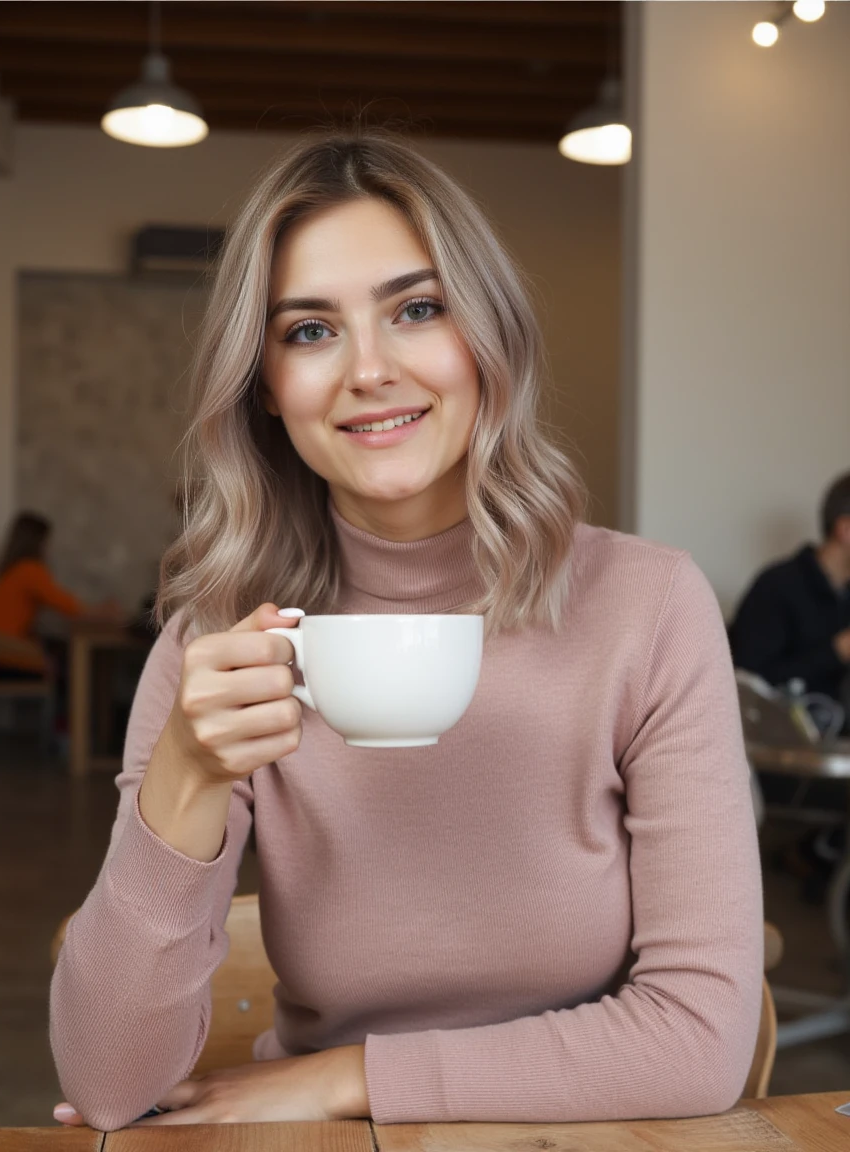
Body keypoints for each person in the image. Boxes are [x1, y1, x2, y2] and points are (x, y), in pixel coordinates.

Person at [50, 133, 762, 1132]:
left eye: (416, 310)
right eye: (308, 332)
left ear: (488, 336)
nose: (368, 370)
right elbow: (108, 1085)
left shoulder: (645, 609)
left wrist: (350, 1079)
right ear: (262, 383)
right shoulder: (222, 643)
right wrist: (186, 776)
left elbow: (698, 1040)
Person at [729, 472, 850, 729]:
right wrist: (835, 652)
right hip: (785, 760)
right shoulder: (777, 587)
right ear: (845, 529)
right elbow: (747, 686)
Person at [0, 511, 123, 681]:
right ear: (38, 542)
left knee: (58, 647)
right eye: (47, 542)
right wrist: (104, 611)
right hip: (9, 658)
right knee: (71, 664)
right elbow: (70, 608)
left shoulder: (12, 570)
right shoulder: (30, 570)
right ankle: (76, 707)